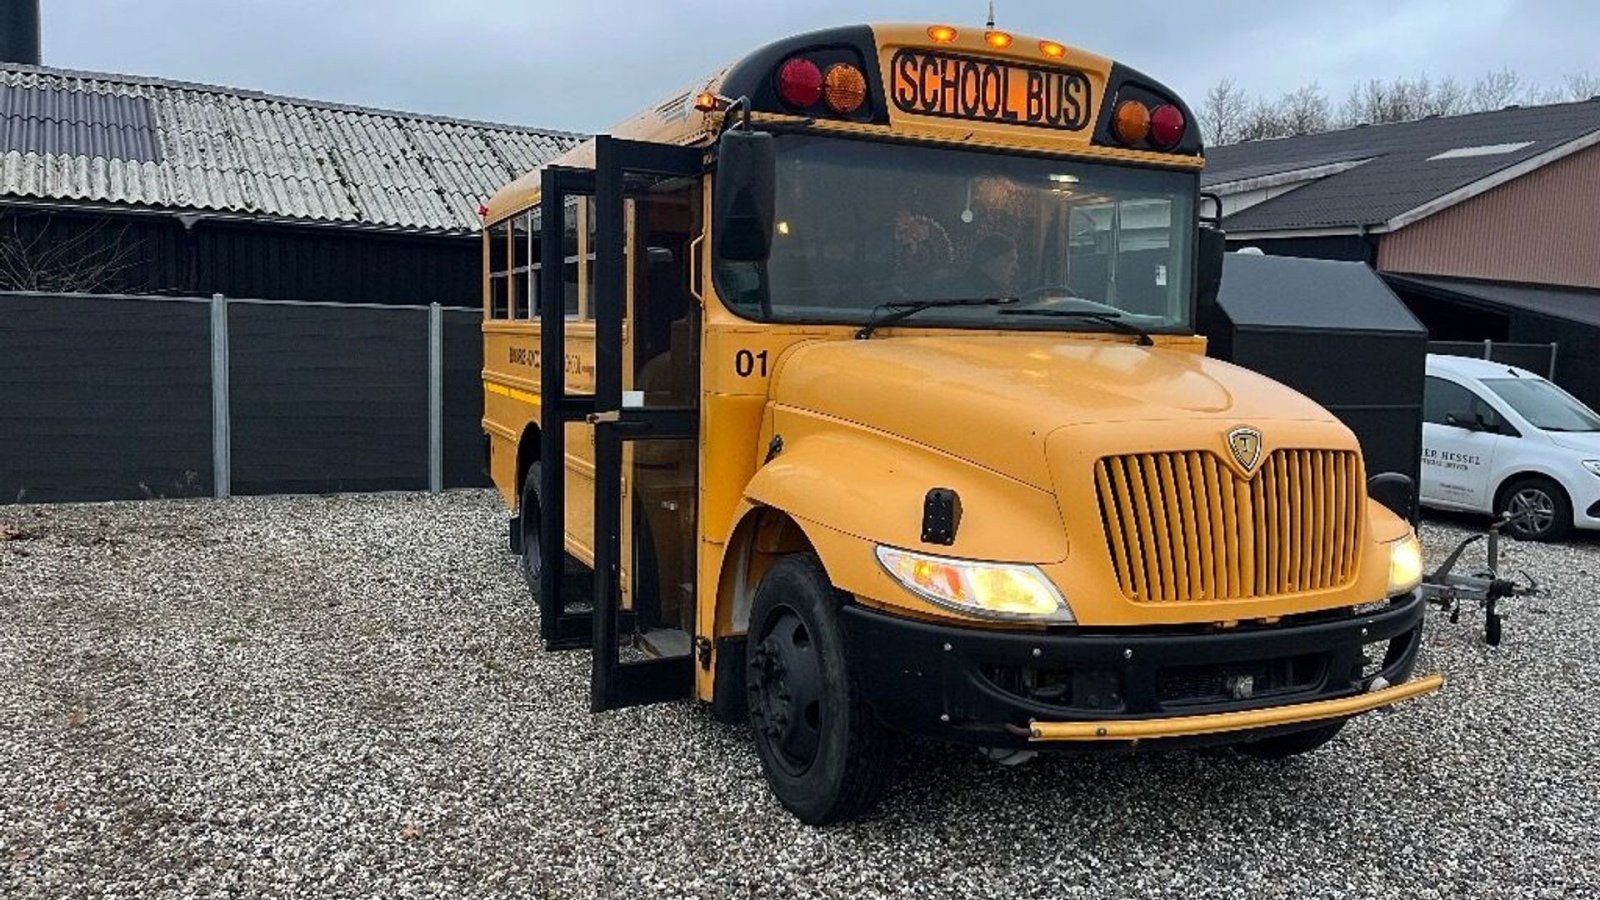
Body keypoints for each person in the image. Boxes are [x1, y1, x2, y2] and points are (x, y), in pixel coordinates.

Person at [936, 233, 1019, 299]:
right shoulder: (959, 294)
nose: (1016, 268)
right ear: (990, 260)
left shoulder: (1010, 293)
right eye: (1010, 260)